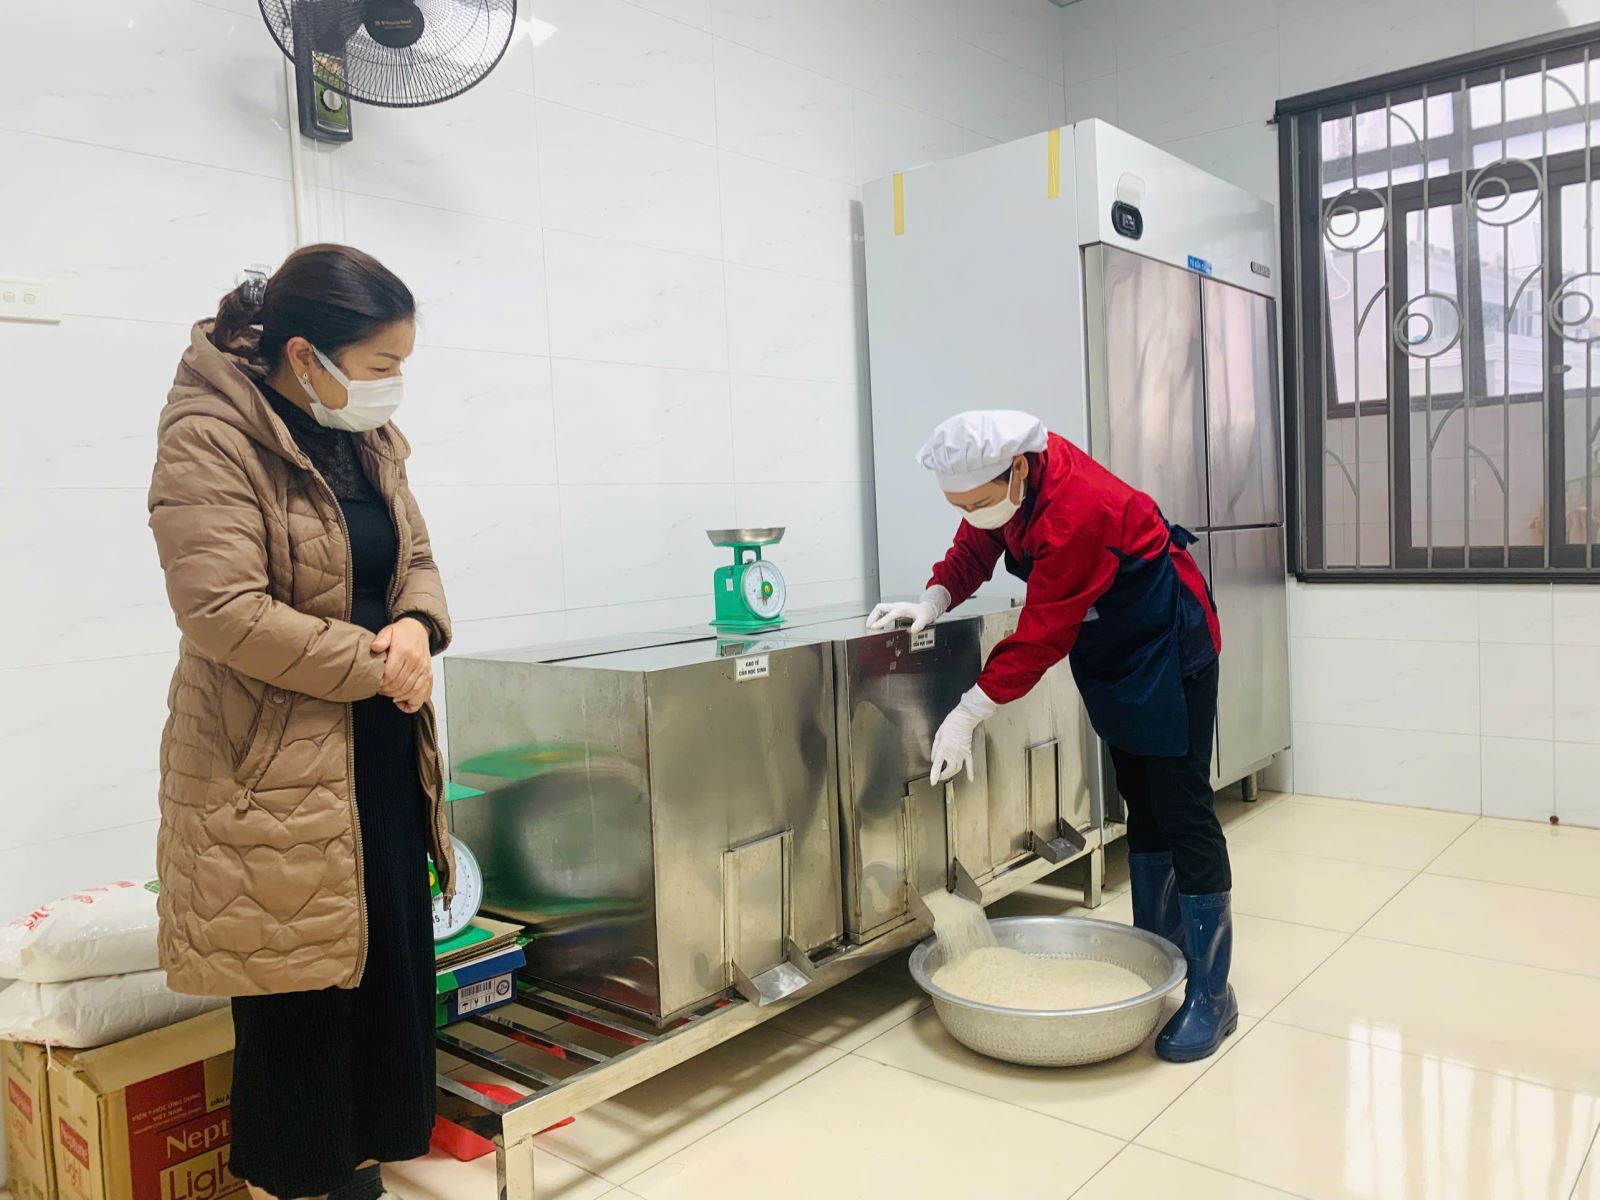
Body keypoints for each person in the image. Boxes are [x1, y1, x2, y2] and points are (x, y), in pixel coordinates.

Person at [147, 245, 453, 1199]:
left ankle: (361, 1183)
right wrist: (377, 663)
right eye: (380, 364)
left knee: (385, 990)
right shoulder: (210, 434)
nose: (393, 385)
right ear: (304, 355)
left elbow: (415, 558)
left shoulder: (365, 435)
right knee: (301, 1011)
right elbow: (221, 610)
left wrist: (416, 625)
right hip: (269, 768)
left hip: (378, 752)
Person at [867, 410, 1233, 1063]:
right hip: (1115, 652)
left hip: (1167, 647)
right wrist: (935, 597)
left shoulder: (1076, 511)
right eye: (959, 505)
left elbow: (1041, 634)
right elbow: (977, 542)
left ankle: (1212, 992)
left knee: (1183, 808)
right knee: (1142, 802)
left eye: (977, 501)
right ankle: (1160, 957)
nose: (971, 514)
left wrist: (967, 712)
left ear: (1018, 469)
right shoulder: (1007, 489)